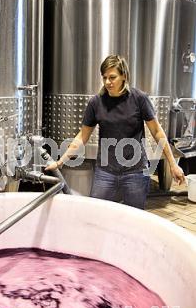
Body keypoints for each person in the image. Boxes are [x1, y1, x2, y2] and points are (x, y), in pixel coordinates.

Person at [45, 55, 185, 210]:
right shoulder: (96, 103)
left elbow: (157, 132)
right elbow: (82, 137)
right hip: (105, 172)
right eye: (104, 77)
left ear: (124, 76)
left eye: (112, 77)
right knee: (98, 214)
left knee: (134, 217)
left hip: (136, 172)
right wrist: (60, 161)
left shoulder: (139, 99)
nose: (107, 82)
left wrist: (173, 165)